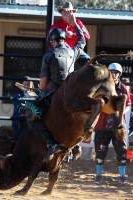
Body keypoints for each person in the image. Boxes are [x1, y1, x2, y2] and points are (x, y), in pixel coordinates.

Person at [37, 11, 85, 156]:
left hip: (53, 93)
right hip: (70, 94)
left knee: (32, 111)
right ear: (63, 39)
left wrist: (40, 93)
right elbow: (82, 39)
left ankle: (52, 144)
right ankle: (76, 144)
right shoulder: (73, 51)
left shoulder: (49, 55)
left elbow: (43, 84)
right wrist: (75, 23)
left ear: (52, 41)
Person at [93, 63, 130, 184]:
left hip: (117, 124)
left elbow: (128, 103)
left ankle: (122, 175)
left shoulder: (123, 88)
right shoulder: (102, 87)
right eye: (112, 72)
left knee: (122, 150)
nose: (114, 75)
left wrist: (120, 113)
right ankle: (98, 175)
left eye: (116, 73)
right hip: (102, 124)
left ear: (120, 74)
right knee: (100, 151)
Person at [50, 1, 90, 66]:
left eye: (68, 12)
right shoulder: (57, 24)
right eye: (64, 12)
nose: (66, 14)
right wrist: (63, 35)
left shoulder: (78, 22)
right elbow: (50, 35)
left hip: (76, 51)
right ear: (61, 13)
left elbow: (87, 36)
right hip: (61, 51)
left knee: (87, 60)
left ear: (72, 13)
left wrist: (72, 35)